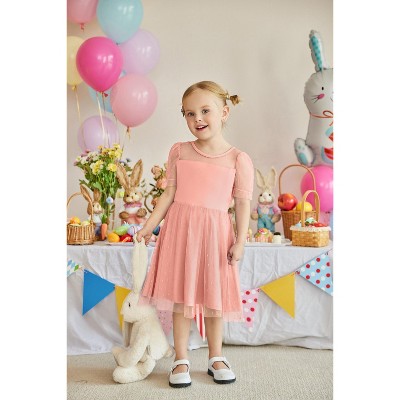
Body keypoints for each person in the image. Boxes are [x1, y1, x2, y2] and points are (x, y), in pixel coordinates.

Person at [137, 81, 254, 388]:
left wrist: (240, 241)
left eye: (205, 111)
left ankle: (216, 356)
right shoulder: (180, 151)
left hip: (216, 235)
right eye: (189, 113)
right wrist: (148, 226)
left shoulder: (237, 159)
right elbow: (168, 194)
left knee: (214, 299)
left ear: (224, 112)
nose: (197, 118)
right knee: (181, 297)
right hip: (180, 232)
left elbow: (242, 203)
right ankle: (181, 358)